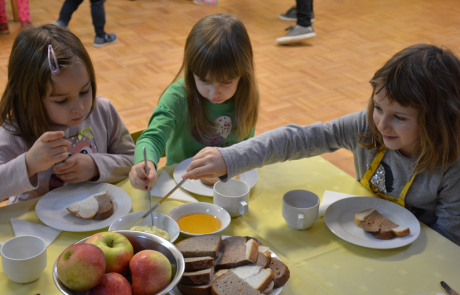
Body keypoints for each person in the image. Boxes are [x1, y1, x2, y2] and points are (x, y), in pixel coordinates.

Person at [183, 44, 460, 246]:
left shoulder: (453, 166)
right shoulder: (366, 126)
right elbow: (299, 138)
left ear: (437, 120)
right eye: (378, 107)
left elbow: (449, 239)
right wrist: (232, 157)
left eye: (399, 117)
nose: (382, 125)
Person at [0, 24, 135, 204]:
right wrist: (29, 164)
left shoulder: (102, 111)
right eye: (61, 100)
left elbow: (133, 160)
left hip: (95, 220)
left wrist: (95, 166)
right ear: (29, 97)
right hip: (35, 227)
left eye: (85, 91)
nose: (79, 107)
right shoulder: (15, 130)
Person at [129, 13, 259, 191]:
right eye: (204, 80)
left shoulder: (245, 98)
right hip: (179, 186)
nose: (214, 93)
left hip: (227, 188)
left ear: (243, 75)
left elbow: (245, 150)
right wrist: (144, 163)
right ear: (191, 73)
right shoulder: (177, 97)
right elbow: (153, 137)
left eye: (226, 82)